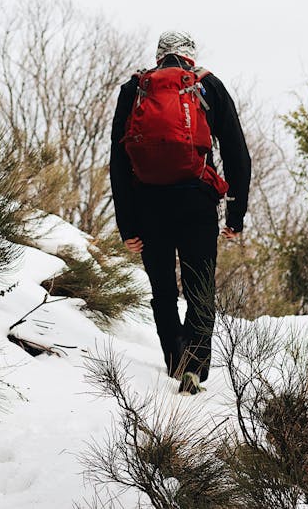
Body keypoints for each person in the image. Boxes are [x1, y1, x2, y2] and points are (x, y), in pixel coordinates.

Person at [109, 30, 251, 395]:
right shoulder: (208, 86)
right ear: (190, 55)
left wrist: (127, 225)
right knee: (200, 287)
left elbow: (119, 162)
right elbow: (237, 155)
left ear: (159, 56)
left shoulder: (135, 88)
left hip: (148, 203)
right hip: (196, 202)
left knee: (162, 289)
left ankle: (175, 361)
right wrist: (236, 216)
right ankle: (196, 369)